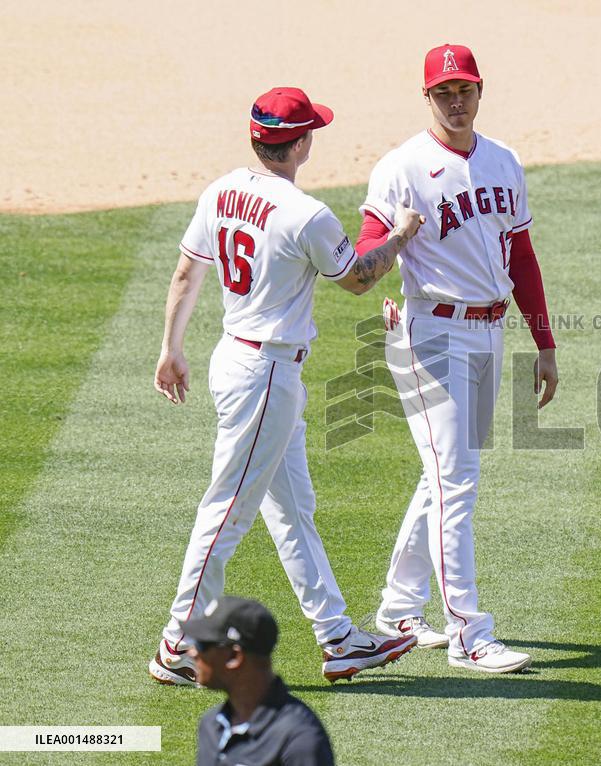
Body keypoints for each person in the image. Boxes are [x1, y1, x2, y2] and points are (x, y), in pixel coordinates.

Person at [149, 86, 424, 686]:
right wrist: (401, 235)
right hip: (266, 375)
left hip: (236, 360)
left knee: (293, 511)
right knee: (225, 514)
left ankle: (338, 637)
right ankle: (178, 641)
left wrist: (171, 347)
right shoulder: (308, 215)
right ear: (299, 143)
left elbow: (186, 269)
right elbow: (357, 278)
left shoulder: (221, 189)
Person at [357, 45, 558, 673]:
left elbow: (520, 256)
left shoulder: (504, 161)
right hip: (431, 336)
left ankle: (397, 609)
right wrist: (397, 237)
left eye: (464, 88)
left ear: (479, 89)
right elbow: (364, 254)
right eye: (444, 91)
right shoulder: (401, 168)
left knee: (443, 479)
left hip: (490, 333)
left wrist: (544, 341)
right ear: (427, 97)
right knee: (458, 484)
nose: (456, 99)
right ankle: (470, 633)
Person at [185, 597, 335, 765]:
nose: (192, 652)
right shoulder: (211, 726)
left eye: (202, 644)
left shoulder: (298, 739)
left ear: (234, 657)